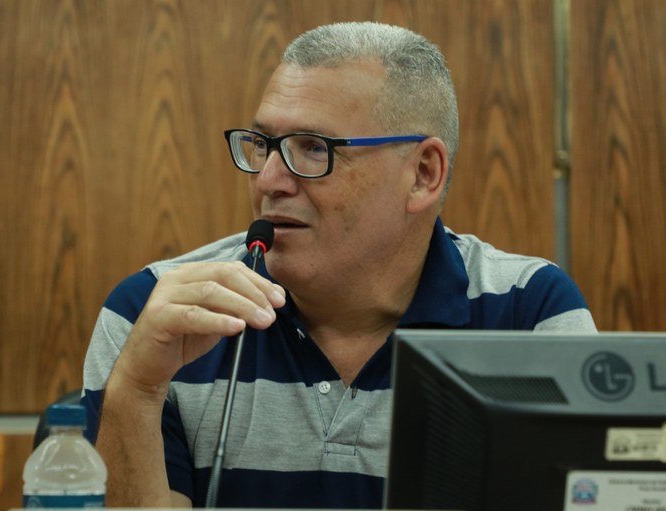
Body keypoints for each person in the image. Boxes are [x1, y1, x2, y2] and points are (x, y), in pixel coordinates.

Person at [81, 21, 596, 508]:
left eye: (313, 149)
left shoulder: (529, 313)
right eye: (263, 146)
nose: (269, 181)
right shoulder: (157, 313)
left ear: (423, 173)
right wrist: (138, 391)